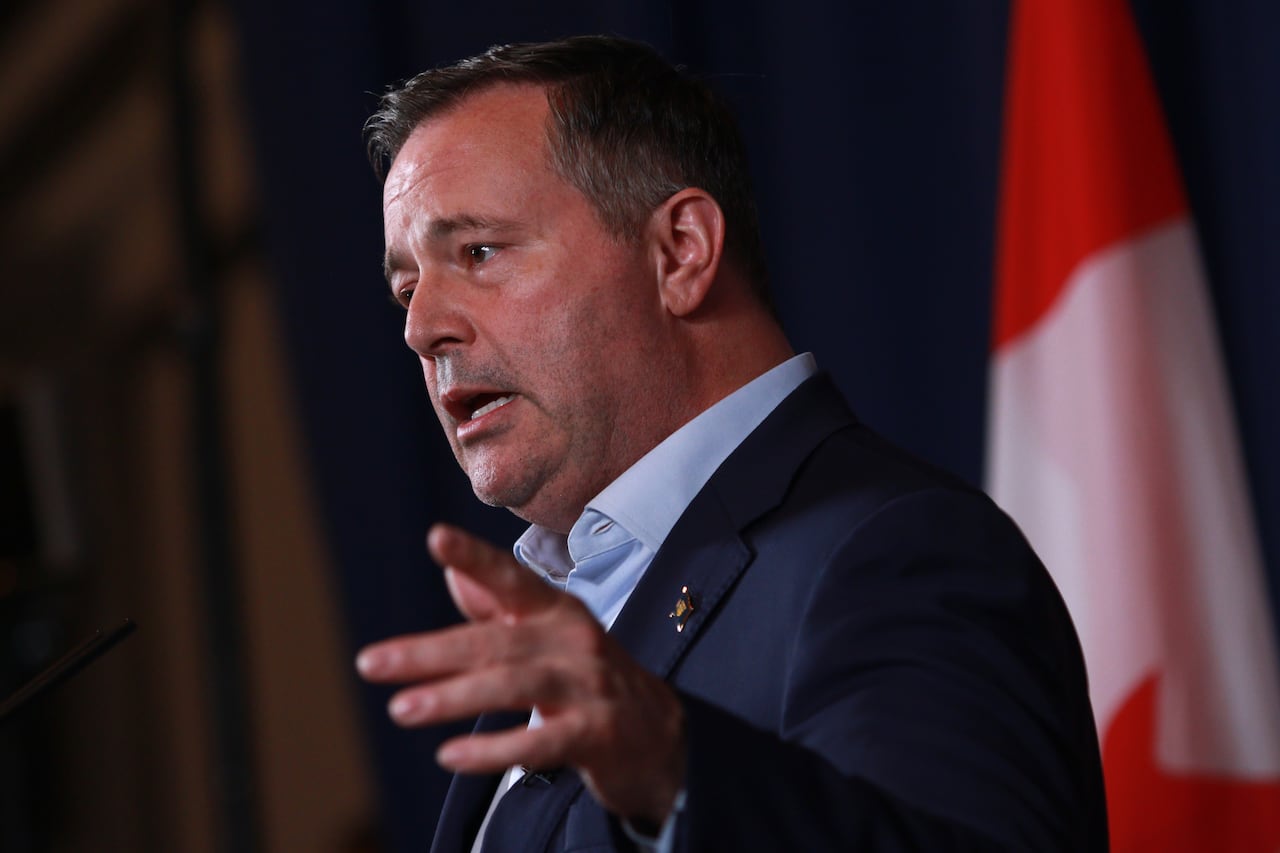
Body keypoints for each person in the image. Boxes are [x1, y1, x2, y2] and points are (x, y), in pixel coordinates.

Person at [354, 35, 1107, 852]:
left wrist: (675, 771)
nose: (422, 328)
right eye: (406, 288)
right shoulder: (565, 612)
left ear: (681, 250)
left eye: (480, 252)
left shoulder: (894, 552)